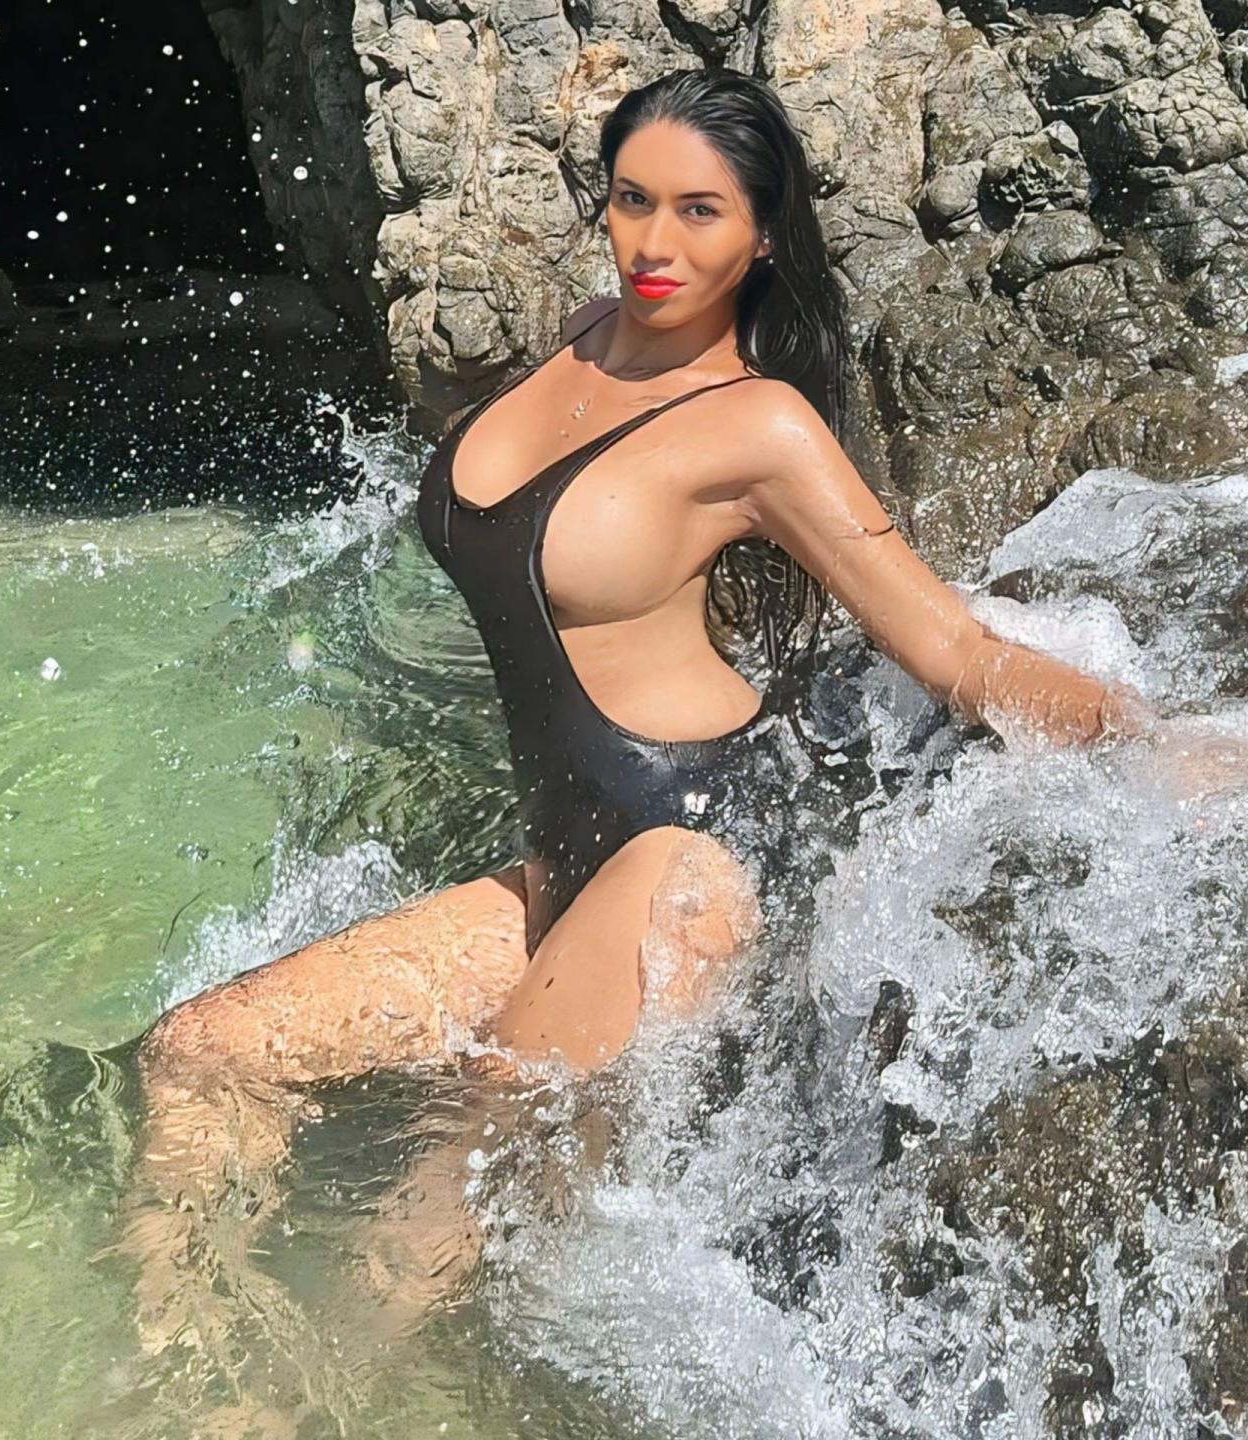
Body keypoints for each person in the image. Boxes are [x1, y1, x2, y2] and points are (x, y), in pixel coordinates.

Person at [115, 66, 1157, 1361]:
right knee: (204, 1051)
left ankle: (312, 1404)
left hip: (690, 855)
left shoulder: (760, 427)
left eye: (701, 212)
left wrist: (1165, 746)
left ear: (763, 237)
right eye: (632, 200)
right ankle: (175, 1370)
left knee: (458, 1163)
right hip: (567, 859)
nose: (656, 243)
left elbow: (952, 647)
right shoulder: (578, 339)